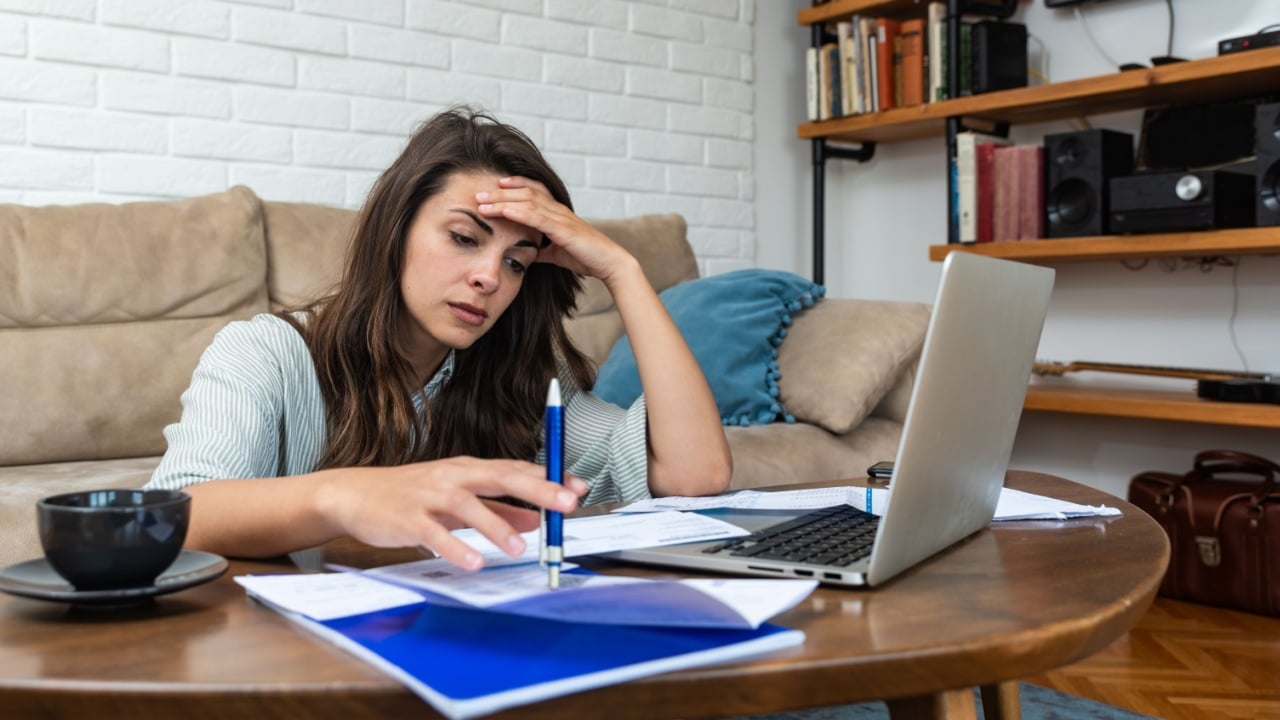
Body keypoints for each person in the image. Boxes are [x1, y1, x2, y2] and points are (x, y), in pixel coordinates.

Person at [146, 106, 732, 570]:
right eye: (463, 237)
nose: (489, 277)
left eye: (517, 262)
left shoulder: (520, 378)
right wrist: (346, 496)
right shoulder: (264, 352)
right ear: (396, 230)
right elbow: (171, 517)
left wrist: (621, 269)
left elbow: (696, 475)